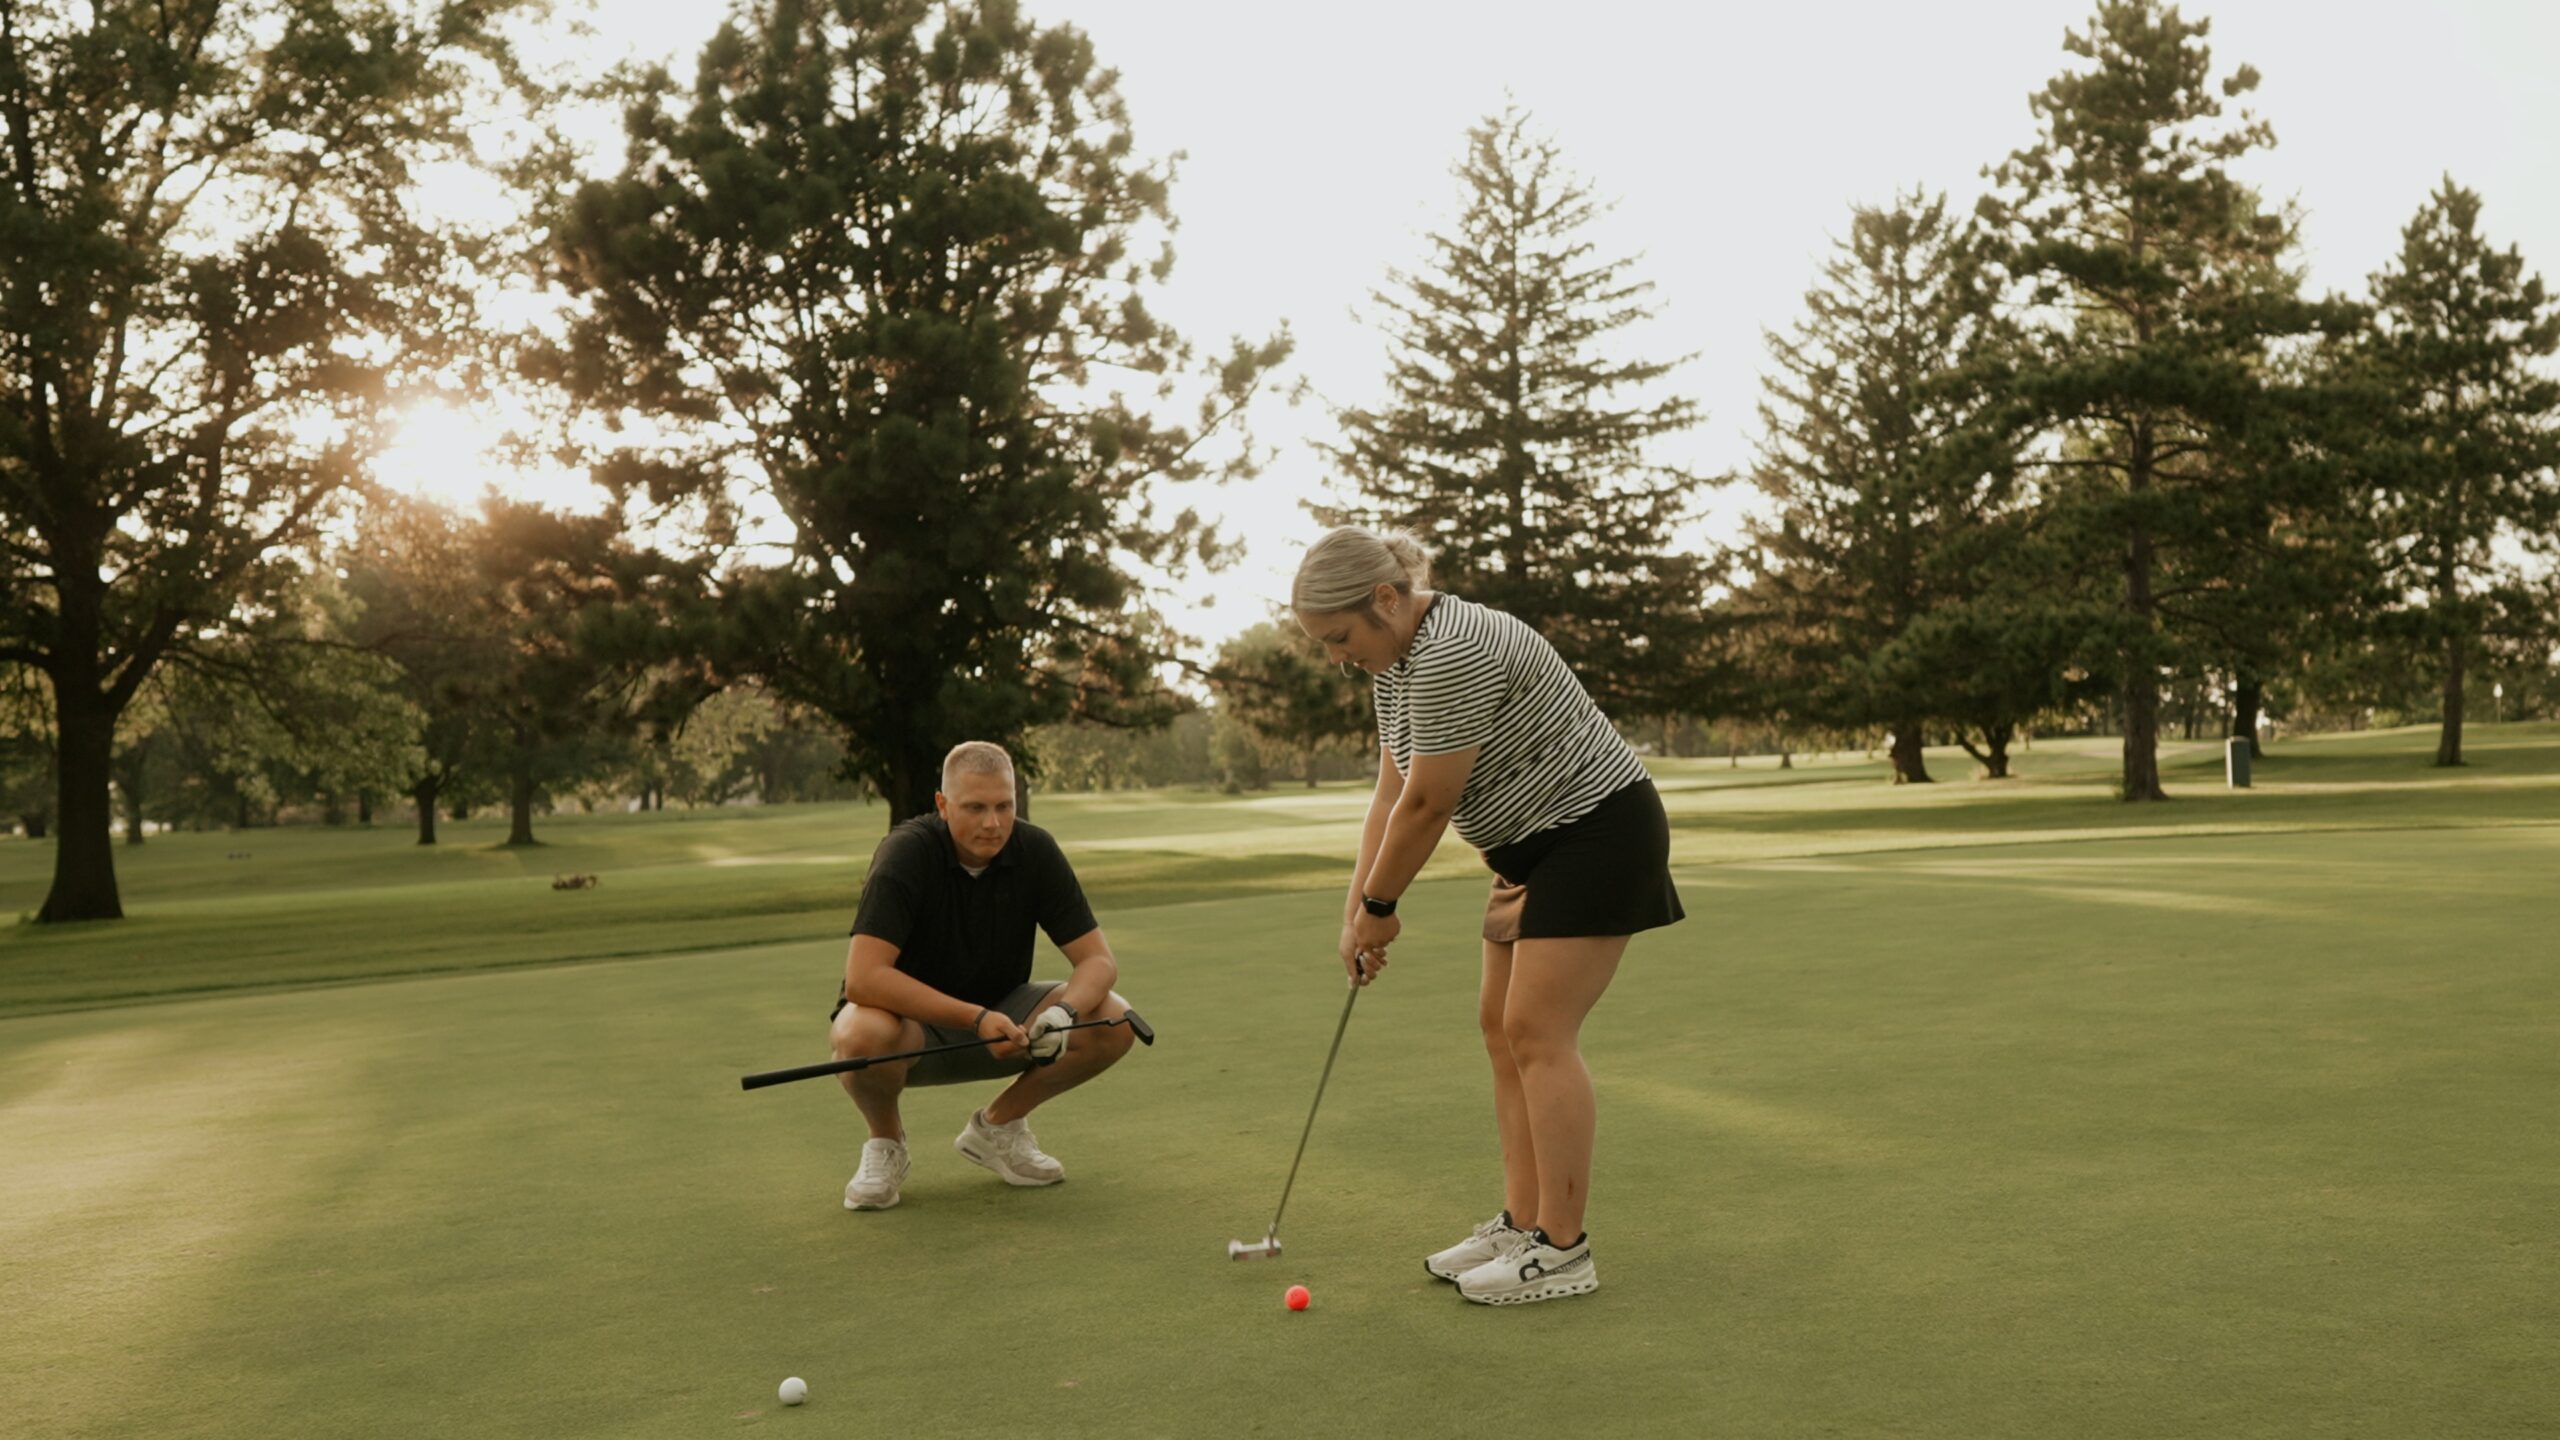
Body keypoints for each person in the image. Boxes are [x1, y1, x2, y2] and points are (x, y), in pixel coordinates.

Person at [1294, 525, 1683, 1305]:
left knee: (1539, 1031)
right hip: (1527, 850)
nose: (1337, 657)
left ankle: (1564, 1250)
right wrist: (1354, 912)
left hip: (1595, 830)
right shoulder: (1393, 665)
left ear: (1384, 599)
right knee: (1501, 1031)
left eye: (1339, 638)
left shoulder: (1451, 650)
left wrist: (1382, 906)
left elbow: (1432, 803)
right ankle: (1523, 1222)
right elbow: (1389, 795)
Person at [827, 741, 1139, 1211]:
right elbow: (864, 979)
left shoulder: (1035, 850)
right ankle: (886, 1144)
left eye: (1003, 806)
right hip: (908, 1029)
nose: (992, 823)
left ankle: (998, 1127)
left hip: (1008, 1019)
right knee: (858, 1035)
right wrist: (975, 1019)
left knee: (1113, 1020)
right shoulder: (906, 853)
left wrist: (1061, 1013)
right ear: (942, 804)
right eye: (974, 808)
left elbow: (1099, 962)